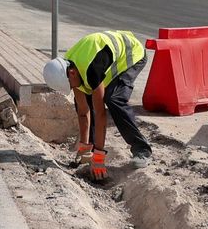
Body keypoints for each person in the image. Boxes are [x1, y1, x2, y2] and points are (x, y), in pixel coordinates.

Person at [42, 30, 151, 178]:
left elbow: (101, 115)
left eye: (70, 85)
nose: (73, 88)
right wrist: (84, 146)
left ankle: (142, 149)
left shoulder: (92, 70)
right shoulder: (69, 69)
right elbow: (83, 111)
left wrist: (99, 157)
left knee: (114, 99)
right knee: (87, 97)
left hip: (132, 55)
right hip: (106, 60)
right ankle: (91, 148)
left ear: (72, 73)